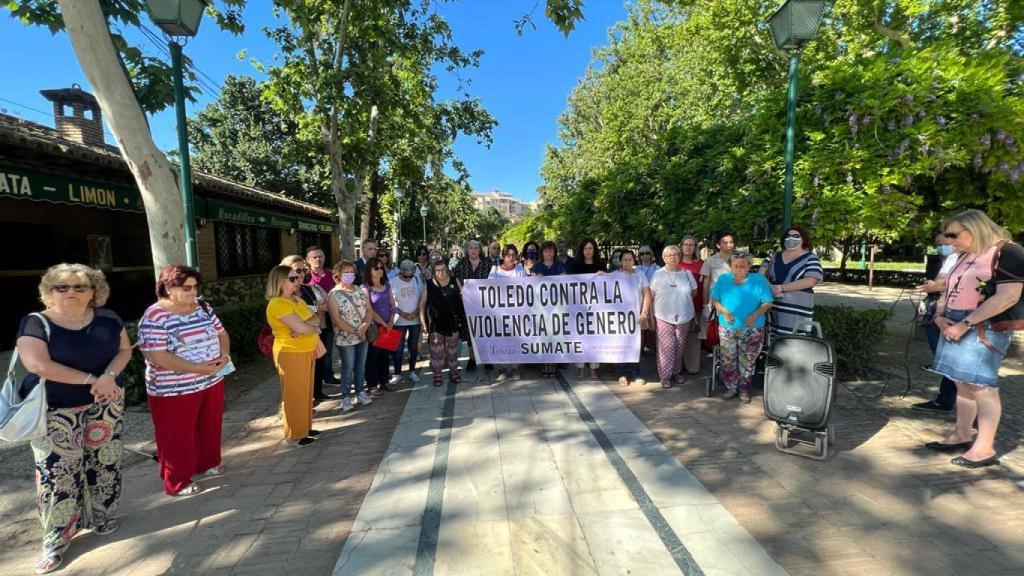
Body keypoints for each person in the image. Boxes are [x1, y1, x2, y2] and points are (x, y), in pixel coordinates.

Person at [16, 264, 131, 574]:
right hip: (55, 409)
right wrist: (92, 379)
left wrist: (108, 377)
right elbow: (37, 364)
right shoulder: (35, 323)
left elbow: (124, 350)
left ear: (93, 291)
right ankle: (55, 540)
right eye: (61, 287)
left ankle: (103, 515)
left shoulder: (108, 318)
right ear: (48, 291)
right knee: (58, 475)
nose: (70, 292)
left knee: (105, 461)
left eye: (79, 286)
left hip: (105, 402)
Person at [926, 210, 1021, 468]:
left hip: (983, 326)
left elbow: (1007, 297)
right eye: (947, 236)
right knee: (961, 383)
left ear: (975, 228)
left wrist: (966, 323)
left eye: (953, 235)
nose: (949, 241)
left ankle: (984, 448)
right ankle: (962, 433)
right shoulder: (964, 255)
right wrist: (940, 315)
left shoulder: (1008, 252)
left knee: (982, 386)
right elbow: (948, 287)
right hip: (955, 322)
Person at [138, 265, 230, 499]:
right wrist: (196, 368)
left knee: (209, 425)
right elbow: (156, 355)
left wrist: (224, 356)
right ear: (168, 288)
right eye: (186, 287)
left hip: (210, 380)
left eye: (195, 287)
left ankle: (207, 462)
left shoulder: (203, 307)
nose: (192, 292)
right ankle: (176, 480)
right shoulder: (155, 315)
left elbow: (221, 334)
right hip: (173, 389)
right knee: (176, 434)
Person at [265, 265, 325, 447]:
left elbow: (316, 319)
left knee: (306, 392)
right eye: (292, 278)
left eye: (297, 278)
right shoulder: (277, 303)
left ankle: (305, 427)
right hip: (290, 353)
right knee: (294, 394)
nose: (297, 281)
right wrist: (306, 327)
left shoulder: (296, 300)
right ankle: (295, 433)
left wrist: (308, 327)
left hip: (305, 350)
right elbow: (302, 327)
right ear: (279, 281)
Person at [710, 253, 774, 403]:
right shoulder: (724, 279)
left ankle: (744, 389)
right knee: (728, 359)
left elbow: (768, 302)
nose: (738, 269)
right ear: (731, 266)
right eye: (735, 266)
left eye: (742, 266)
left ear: (749, 267)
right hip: (727, 327)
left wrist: (755, 314)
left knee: (747, 360)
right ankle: (731, 388)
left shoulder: (758, 280)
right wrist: (724, 311)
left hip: (753, 328)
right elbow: (715, 299)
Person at [911, 233, 960, 413]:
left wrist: (938, 285)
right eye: (940, 243)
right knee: (945, 359)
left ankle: (954, 403)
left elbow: (946, 284)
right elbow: (940, 283)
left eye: (947, 240)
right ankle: (947, 400)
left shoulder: (977, 257)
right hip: (939, 313)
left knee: (956, 363)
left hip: (963, 318)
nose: (943, 245)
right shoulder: (951, 258)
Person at [281, 255, 337, 402]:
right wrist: (307, 323)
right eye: (297, 270)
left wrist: (311, 322)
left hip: (315, 334)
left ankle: (317, 393)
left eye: (303, 270)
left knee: (318, 365)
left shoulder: (308, 290)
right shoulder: (282, 296)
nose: (301, 274)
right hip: (294, 342)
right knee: (299, 377)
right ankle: (303, 404)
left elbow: (316, 316)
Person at [327, 261, 374, 412]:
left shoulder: (360, 290)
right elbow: (336, 319)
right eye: (346, 272)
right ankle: (345, 397)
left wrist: (364, 327)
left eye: (352, 272)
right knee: (348, 367)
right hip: (345, 338)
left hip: (362, 335)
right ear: (338, 275)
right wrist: (356, 331)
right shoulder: (333, 294)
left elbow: (369, 310)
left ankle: (360, 392)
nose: (350, 275)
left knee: (360, 365)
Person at [650, 246, 698, 388]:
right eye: (669, 255)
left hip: (684, 315)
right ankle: (665, 376)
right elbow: (651, 296)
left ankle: (676, 372)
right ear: (664, 258)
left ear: (680, 256)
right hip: (663, 315)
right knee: (666, 346)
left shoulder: (687, 273)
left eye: (676, 254)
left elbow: (694, 293)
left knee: (679, 345)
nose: (673, 257)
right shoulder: (658, 274)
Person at [765, 226, 824, 334]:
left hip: (797, 312)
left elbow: (811, 280)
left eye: (796, 236)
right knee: (772, 343)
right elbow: (761, 274)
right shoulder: (773, 256)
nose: (791, 238)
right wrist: (771, 288)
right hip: (772, 308)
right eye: (788, 236)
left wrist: (781, 288)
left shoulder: (811, 258)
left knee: (795, 344)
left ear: (804, 239)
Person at [421, 261, 467, 386]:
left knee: (452, 350)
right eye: (437, 270)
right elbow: (422, 304)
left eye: (442, 269)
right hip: (435, 323)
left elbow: (464, 298)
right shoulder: (429, 284)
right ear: (434, 272)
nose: (440, 272)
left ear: (447, 270)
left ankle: (454, 372)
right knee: (436, 351)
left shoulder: (454, 281)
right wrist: (423, 322)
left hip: (452, 321)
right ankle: (437, 374)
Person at [568, 238, 607, 380]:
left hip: (597, 307)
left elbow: (608, 285)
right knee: (580, 338)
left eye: (591, 248)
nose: (588, 251)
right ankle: (580, 369)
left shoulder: (601, 265)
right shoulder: (574, 265)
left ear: (594, 250)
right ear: (581, 250)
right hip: (579, 307)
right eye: (585, 248)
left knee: (594, 338)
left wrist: (605, 276)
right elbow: (569, 284)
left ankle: (593, 369)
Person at [490, 244, 528, 381]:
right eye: (508, 255)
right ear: (503, 256)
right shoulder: (495, 271)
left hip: (518, 313)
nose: (511, 258)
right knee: (502, 340)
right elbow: (487, 289)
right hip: (501, 313)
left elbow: (526, 287)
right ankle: (503, 368)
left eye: (513, 255)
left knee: (517, 339)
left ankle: (516, 367)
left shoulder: (520, 270)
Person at [453, 239, 492, 370]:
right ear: (467, 250)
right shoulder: (461, 264)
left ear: (480, 250)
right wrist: (461, 288)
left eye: (476, 247)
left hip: (485, 304)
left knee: (485, 331)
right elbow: (456, 278)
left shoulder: (487, 264)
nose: (473, 250)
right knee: (470, 331)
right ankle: (472, 358)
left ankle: (487, 358)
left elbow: (493, 281)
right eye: (471, 248)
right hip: (468, 304)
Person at [306, 246, 341, 391]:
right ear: (308, 260)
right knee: (319, 348)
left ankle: (328, 375)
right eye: (314, 257)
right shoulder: (306, 277)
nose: (318, 260)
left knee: (329, 346)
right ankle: (321, 378)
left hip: (333, 315)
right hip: (315, 318)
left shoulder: (331, 274)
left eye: (320, 256)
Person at [531, 241, 567, 377]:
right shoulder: (537, 266)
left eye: (551, 251)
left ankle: (553, 364)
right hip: (541, 307)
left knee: (556, 334)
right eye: (546, 251)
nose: (548, 253)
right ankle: (545, 364)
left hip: (557, 306)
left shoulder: (560, 266)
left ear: (554, 252)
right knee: (544, 334)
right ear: (542, 253)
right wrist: (536, 279)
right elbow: (531, 286)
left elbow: (565, 284)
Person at [363, 256, 399, 396]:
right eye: (376, 268)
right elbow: (369, 309)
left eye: (381, 268)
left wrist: (391, 320)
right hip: (374, 327)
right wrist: (383, 323)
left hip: (388, 325)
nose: (379, 270)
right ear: (369, 270)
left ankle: (384, 381)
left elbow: (392, 304)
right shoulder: (365, 287)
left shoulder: (387, 285)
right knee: (373, 356)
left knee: (385, 356)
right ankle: (372, 385)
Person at [616, 249, 652, 385]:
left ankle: (635, 373)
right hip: (619, 319)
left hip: (638, 317)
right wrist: (600, 275)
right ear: (620, 261)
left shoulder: (640, 275)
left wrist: (645, 313)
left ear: (634, 260)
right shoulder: (614, 275)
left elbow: (647, 294)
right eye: (624, 259)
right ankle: (622, 374)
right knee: (621, 345)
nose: (627, 262)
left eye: (630, 259)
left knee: (636, 346)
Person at [392, 260, 427, 383]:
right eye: (405, 275)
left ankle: (412, 371)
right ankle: (397, 373)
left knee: (413, 348)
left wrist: (415, 313)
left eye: (410, 275)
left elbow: (422, 300)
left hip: (415, 320)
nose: (408, 277)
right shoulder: (393, 282)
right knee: (398, 349)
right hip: (399, 321)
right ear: (400, 272)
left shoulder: (417, 280)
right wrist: (403, 314)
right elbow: (391, 303)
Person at [700, 232, 735, 346]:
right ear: (718, 245)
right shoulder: (710, 261)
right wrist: (705, 305)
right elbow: (705, 284)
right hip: (716, 304)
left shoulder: (739, 259)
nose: (729, 245)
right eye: (725, 243)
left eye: (731, 242)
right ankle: (718, 361)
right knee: (716, 334)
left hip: (735, 302)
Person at [679, 235, 704, 374]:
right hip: (678, 306)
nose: (688, 247)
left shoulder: (701, 263)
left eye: (691, 245)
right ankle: (678, 364)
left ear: (695, 247)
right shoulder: (675, 263)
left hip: (696, 304)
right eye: (686, 244)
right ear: (681, 246)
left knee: (693, 336)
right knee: (679, 335)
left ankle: (692, 365)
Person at [637, 245, 660, 354]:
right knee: (641, 326)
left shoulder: (657, 268)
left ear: (651, 255)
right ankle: (640, 349)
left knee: (654, 324)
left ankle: (656, 347)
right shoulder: (636, 269)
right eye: (642, 253)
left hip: (656, 300)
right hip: (641, 301)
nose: (644, 255)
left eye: (647, 253)